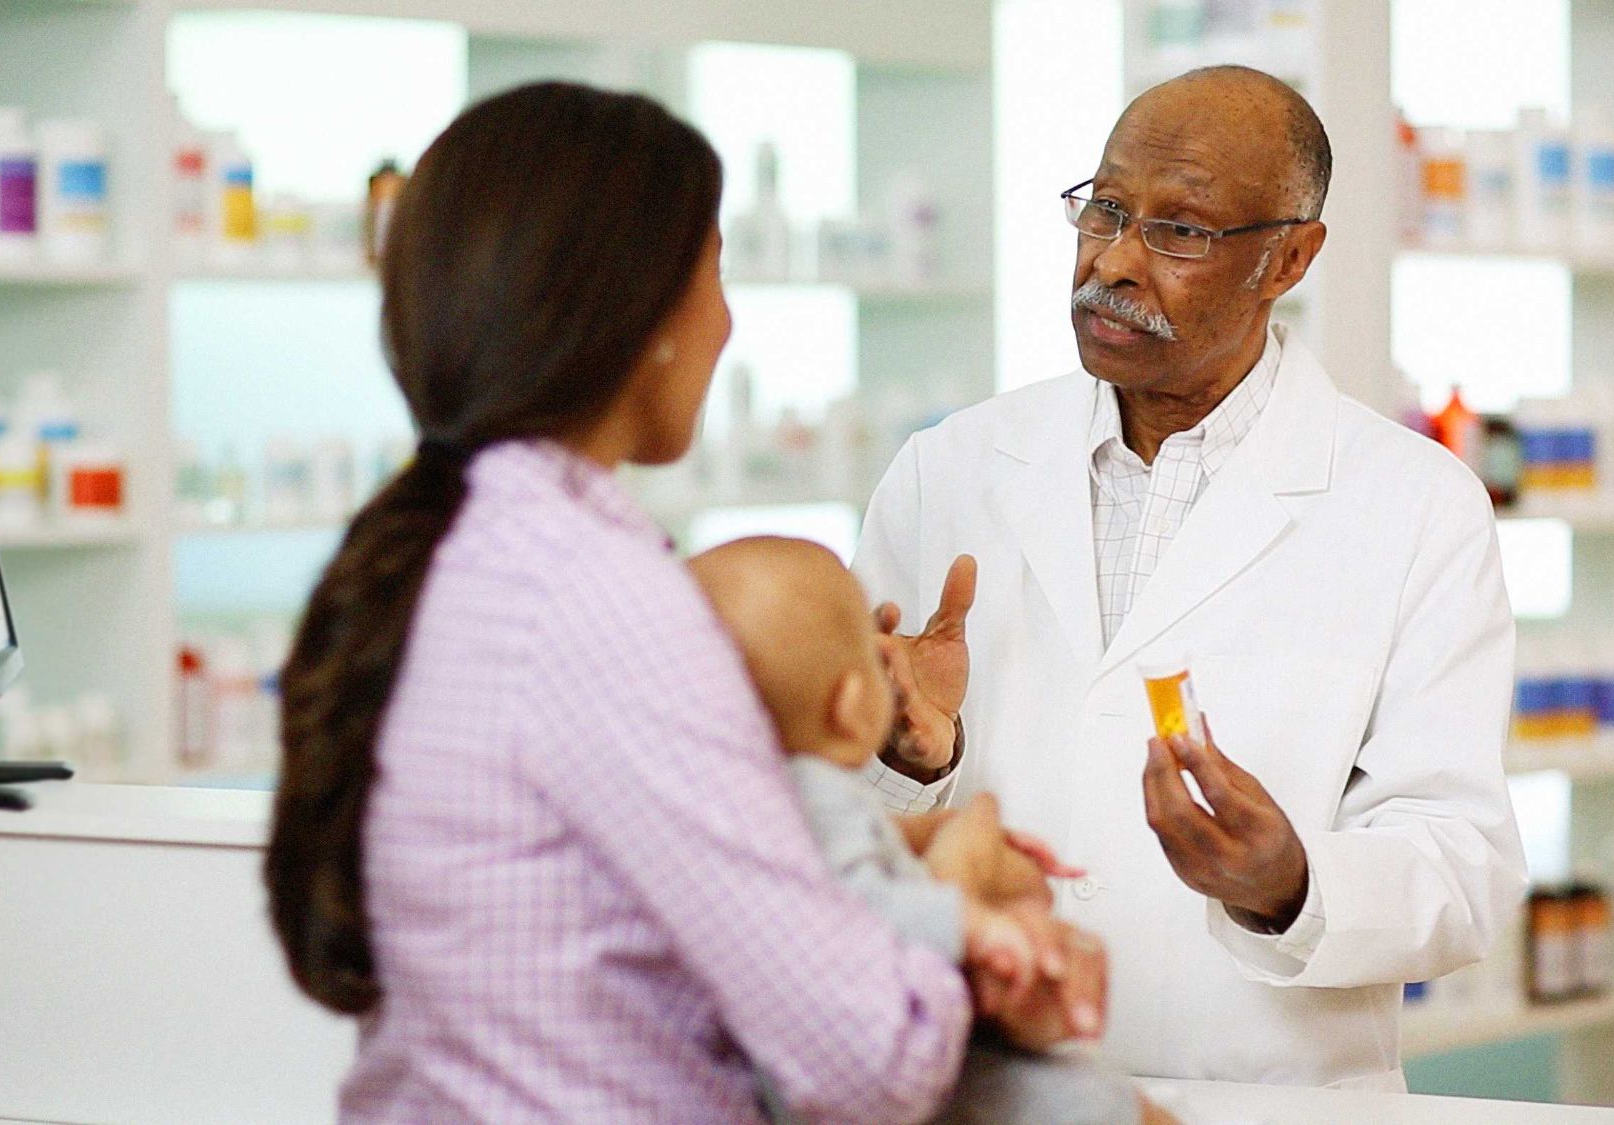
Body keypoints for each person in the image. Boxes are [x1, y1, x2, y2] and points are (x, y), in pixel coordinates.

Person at [260, 83, 1104, 1122]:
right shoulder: (596, 597)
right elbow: (870, 1057)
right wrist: (954, 893)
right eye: (715, 273)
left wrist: (885, 850)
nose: (728, 321)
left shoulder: (462, 546)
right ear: (642, 317)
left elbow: (614, 908)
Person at [855, 65, 1528, 1090]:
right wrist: (908, 760)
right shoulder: (946, 471)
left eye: (1179, 231)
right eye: (1105, 209)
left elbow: (1462, 866)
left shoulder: (1414, 506)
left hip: (1269, 1098)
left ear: (1289, 258)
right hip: (984, 1085)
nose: (1113, 262)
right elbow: (822, 819)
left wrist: (1289, 883)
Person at [688, 537, 1176, 1125]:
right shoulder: (818, 795)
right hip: (890, 1062)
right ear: (850, 705)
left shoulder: (749, 800)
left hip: (820, 1063)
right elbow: (850, 908)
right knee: (1084, 1100)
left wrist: (928, 839)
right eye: (876, 661)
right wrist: (972, 923)